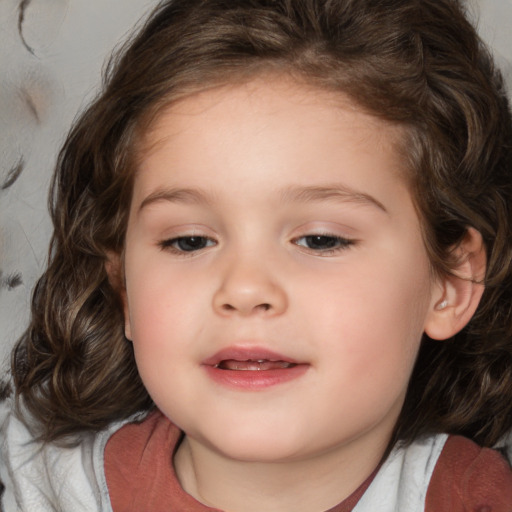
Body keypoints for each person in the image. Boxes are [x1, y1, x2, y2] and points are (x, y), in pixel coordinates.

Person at [1, 0, 512, 510]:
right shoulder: (33, 485)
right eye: (190, 241)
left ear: (449, 282)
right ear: (124, 288)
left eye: (320, 239)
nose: (244, 289)